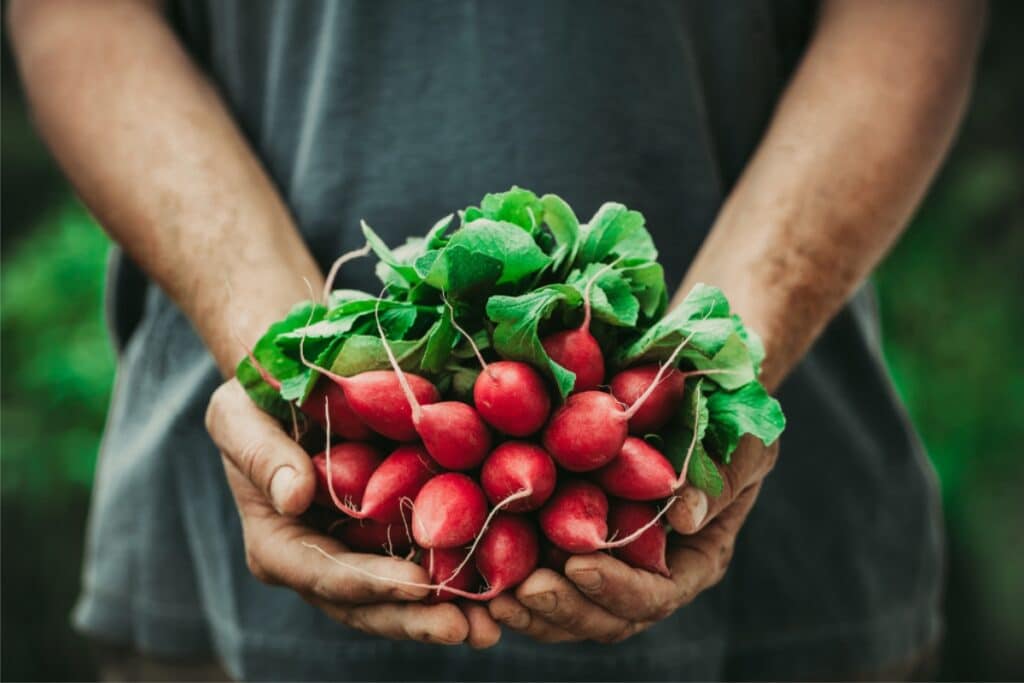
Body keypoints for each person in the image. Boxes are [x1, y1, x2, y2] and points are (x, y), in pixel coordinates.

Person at [9, 0, 985, 680]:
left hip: (790, 576)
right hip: (219, 573)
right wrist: (286, 355)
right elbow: (80, 14)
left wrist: (719, 363)